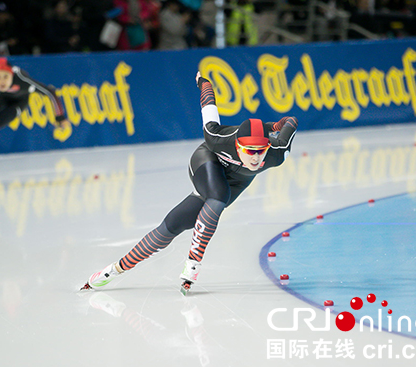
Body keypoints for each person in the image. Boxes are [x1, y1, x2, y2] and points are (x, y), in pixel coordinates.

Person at [81, 71, 298, 292]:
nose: (255, 157)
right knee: (218, 196)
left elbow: (292, 121)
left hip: (236, 182)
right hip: (207, 161)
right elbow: (209, 105)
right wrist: (203, 82)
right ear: (238, 145)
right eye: (249, 150)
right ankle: (193, 264)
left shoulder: (276, 153)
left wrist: (275, 126)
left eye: (260, 151)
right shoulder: (217, 138)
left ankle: (112, 270)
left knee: (170, 227)